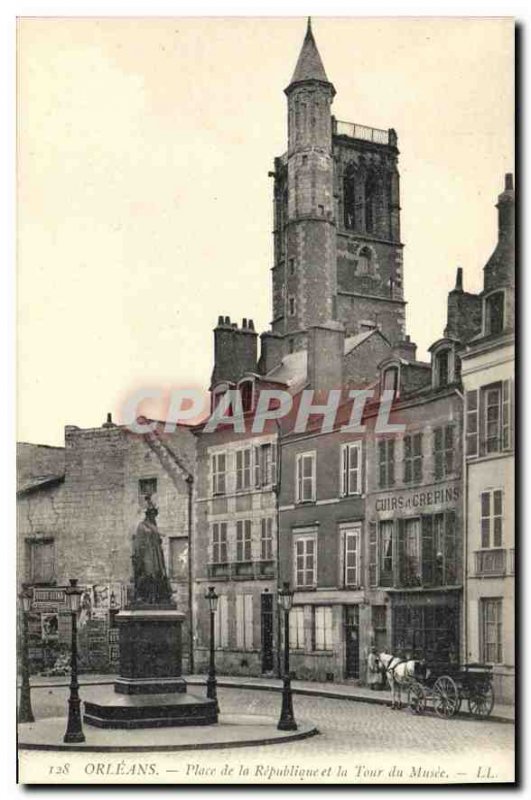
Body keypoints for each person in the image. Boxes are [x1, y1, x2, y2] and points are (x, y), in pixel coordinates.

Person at [132, 496, 173, 605]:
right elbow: (138, 543)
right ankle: (145, 597)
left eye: (154, 514)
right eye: (151, 514)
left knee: (157, 575)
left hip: (156, 555)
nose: (153, 516)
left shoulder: (154, 527)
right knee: (148, 575)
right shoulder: (142, 526)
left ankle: (155, 597)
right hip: (146, 555)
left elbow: (158, 541)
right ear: (148, 515)